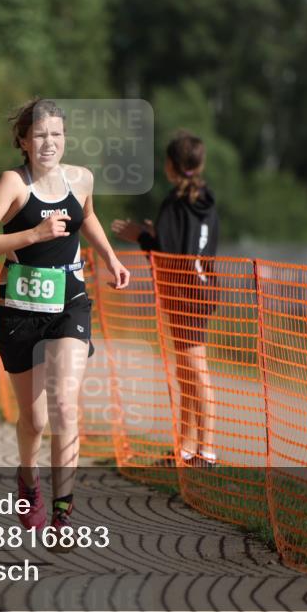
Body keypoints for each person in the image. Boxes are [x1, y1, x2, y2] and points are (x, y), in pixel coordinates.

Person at [0, 99, 130, 547]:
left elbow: (88, 216)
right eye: (39, 135)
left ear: (65, 137)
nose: (48, 143)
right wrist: (33, 235)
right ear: (22, 141)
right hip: (20, 310)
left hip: (70, 302)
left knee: (63, 406)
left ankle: (63, 514)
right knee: (34, 420)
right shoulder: (13, 184)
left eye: (55, 134)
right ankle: (28, 477)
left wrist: (110, 256)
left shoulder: (80, 179)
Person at [112, 131, 220, 467]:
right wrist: (156, 234)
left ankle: (207, 450)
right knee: (187, 371)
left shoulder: (176, 202)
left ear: (171, 165)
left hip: (184, 293)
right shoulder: (206, 199)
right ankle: (186, 449)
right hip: (202, 288)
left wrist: (142, 236)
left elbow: (167, 254)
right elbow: (187, 245)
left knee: (195, 371)